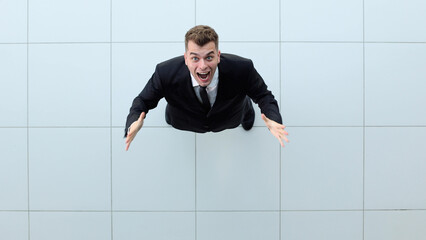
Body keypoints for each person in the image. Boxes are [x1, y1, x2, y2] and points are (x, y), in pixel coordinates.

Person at [125, 25, 288, 151]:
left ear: (218, 56)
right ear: (186, 58)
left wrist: (274, 119)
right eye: (195, 58)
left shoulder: (242, 68)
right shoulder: (165, 72)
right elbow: (143, 101)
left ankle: (246, 112)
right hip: (183, 119)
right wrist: (133, 122)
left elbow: (264, 96)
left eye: (209, 57)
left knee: (245, 106)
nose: (202, 66)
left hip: (230, 116)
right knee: (170, 117)